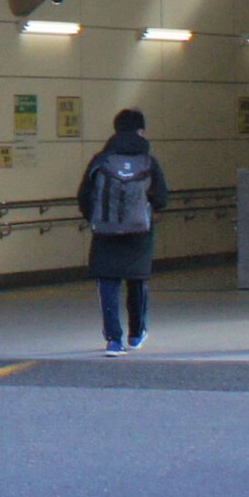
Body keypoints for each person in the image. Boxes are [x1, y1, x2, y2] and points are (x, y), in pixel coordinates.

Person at [82, 108, 166, 356]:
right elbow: (161, 199)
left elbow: (84, 195)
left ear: (115, 129)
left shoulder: (101, 160)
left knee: (108, 282)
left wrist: (98, 219)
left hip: (105, 232)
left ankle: (113, 341)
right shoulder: (149, 162)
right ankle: (136, 333)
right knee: (137, 281)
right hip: (139, 234)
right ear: (141, 131)